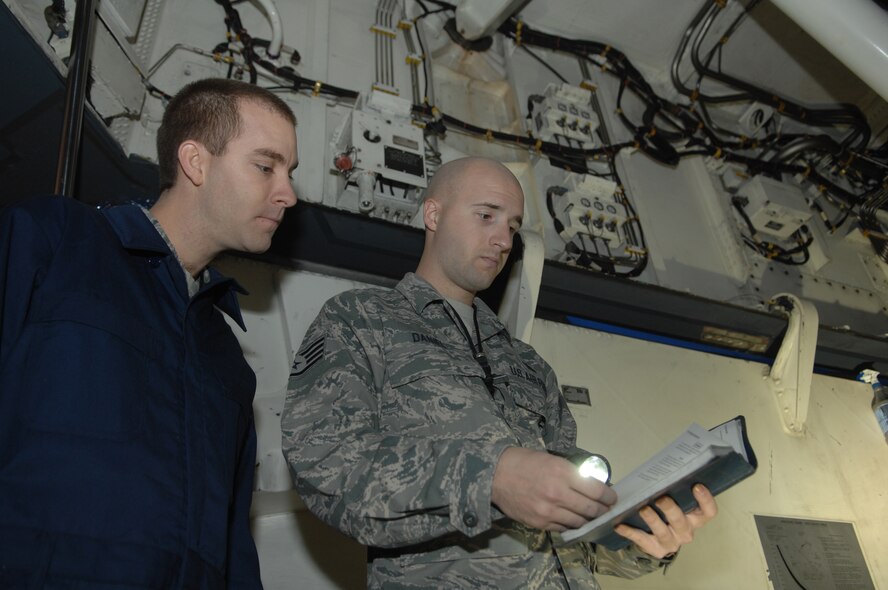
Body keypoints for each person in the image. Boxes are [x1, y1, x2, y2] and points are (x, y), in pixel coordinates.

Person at [281, 156, 717, 589]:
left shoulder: (528, 364)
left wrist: (645, 541)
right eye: (486, 215)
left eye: (511, 225)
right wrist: (490, 478)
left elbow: (571, 536)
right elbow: (327, 468)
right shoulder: (362, 319)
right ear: (433, 214)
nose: (503, 240)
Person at [0, 77, 298, 587]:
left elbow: (231, 542)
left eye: (289, 173)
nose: (288, 194)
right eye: (265, 166)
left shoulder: (225, 356)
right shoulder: (53, 240)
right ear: (195, 162)